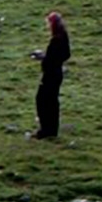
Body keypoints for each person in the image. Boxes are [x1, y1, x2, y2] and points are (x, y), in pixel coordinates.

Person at [31, 10, 70, 139]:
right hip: (57, 73)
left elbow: (51, 60)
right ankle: (52, 129)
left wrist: (44, 59)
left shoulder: (56, 40)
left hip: (50, 74)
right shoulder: (63, 37)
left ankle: (45, 130)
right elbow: (66, 54)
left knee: (43, 101)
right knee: (52, 101)